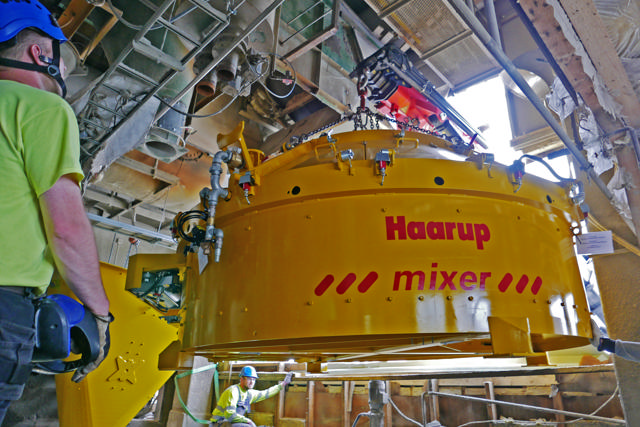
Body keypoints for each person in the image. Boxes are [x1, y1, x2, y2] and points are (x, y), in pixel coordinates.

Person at [0, 0, 112, 423]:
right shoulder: (40, 108)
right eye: (63, 61)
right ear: (40, 53)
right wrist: (100, 313)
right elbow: (65, 228)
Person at [211, 366, 293, 426]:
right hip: (219, 423)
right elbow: (230, 415)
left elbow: (266, 393)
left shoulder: (249, 394)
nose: (252, 382)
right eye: (249, 379)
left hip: (229, 423)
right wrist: (248, 421)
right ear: (241, 379)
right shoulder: (233, 391)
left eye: (254, 379)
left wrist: (283, 384)